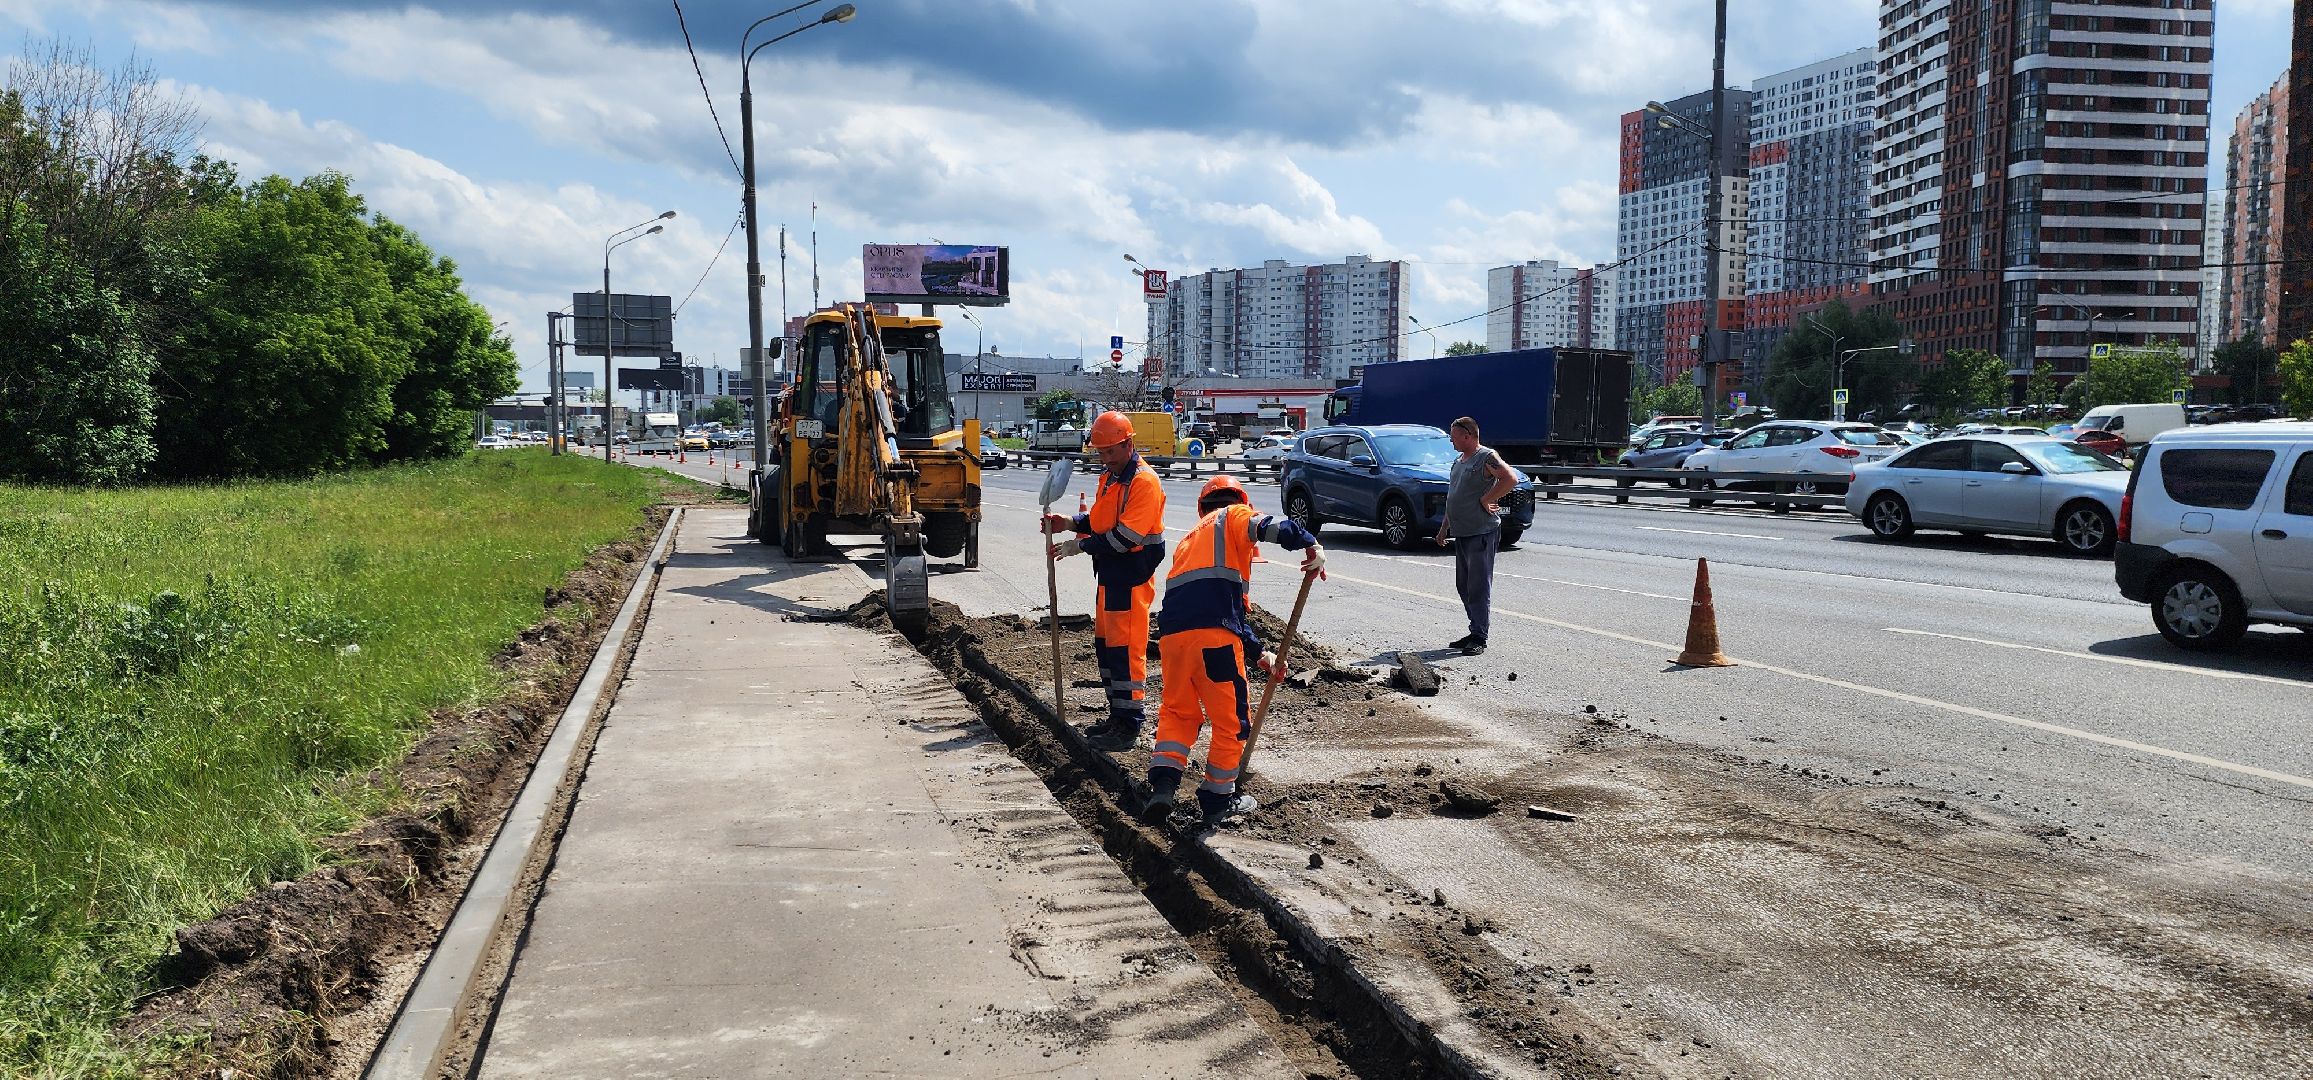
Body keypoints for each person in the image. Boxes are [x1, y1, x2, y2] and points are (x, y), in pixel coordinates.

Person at [1144, 475, 1325, 829]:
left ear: (1201, 508)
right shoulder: (1233, 515)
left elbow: (1232, 614)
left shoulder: (1191, 539)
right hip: (1213, 641)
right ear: (1240, 500)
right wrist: (1310, 544)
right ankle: (1217, 801)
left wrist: (1260, 654)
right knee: (1230, 723)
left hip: (1172, 640)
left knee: (1178, 714)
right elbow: (1270, 526)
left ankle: (1163, 787)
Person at [1045, 411, 1167, 750]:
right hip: (1111, 577)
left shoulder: (1143, 482)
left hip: (1130, 577)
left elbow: (1126, 537)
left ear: (1128, 444)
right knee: (1108, 650)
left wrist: (1078, 546)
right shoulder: (1113, 477)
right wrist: (1068, 522)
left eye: (1110, 451)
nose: (1105, 458)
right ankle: (1117, 716)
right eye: (1100, 452)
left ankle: (1129, 726)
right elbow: (1100, 521)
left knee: (1126, 652)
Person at [1433, 416, 1520, 656]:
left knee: (1478, 586)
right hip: (1461, 532)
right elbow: (1453, 497)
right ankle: (1474, 629)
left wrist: (1487, 499)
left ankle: (1480, 636)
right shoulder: (1458, 461)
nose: (1451, 441)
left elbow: (1510, 478)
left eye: (1454, 437)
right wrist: (1443, 529)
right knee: (1464, 586)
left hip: (1481, 531)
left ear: (1467, 436)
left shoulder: (1486, 457)